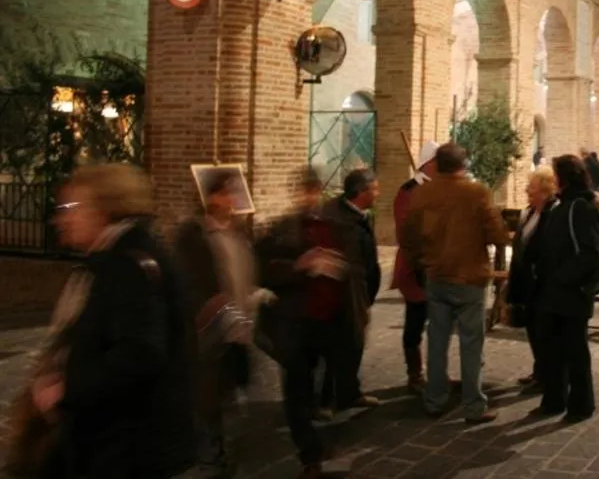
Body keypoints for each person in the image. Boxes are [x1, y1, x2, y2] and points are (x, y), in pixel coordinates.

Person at [23, 164, 196, 479]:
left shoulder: (129, 266)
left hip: (128, 445)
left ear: (104, 209)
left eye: (72, 207)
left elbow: (141, 352)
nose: (61, 219)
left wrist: (65, 387)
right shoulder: (118, 257)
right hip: (122, 441)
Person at [257, 169, 375, 479]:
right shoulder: (283, 230)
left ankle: (326, 426)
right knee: (296, 390)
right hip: (298, 323)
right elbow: (265, 271)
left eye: (314, 191)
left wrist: (342, 271)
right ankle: (310, 454)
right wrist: (300, 266)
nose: (310, 197)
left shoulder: (337, 227)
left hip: (333, 320)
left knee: (334, 378)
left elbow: (358, 268)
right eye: (304, 191)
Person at [174, 169, 273, 478]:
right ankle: (210, 460)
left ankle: (218, 454)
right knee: (208, 399)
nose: (231, 199)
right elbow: (188, 284)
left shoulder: (238, 232)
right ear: (209, 198)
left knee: (228, 394)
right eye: (224, 193)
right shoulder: (193, 236)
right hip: (208, 332)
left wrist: (254, 295)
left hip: (239, 326)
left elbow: (243, 272)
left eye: (233, 192)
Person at [400, 143, 509, 424]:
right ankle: (473, 405)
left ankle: (434, 400)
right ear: (464, 164)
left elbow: (409, 235)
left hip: (436, 276)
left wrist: (420, 262)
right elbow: (497, 233)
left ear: (438, 164)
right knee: (471, 343)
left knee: (436, 341)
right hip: (470, 277)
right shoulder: (476, 192)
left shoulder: (423, 192)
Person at [524, 155, 599, 422]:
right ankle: (554, 400)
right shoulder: (563, 205)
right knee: (552, 349)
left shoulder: (580, 207)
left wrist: (562, 278)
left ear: (564, 178)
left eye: (556, 174)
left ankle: (581, 404)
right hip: (554, 291)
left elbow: (589, 252)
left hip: (570, 292)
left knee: (575, 351)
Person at [317, 169, 383, 417]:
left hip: (359, 292)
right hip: (343, 294)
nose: (378, 193)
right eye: (375, 189)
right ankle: (325, 401)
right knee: (334, 348)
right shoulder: (337, 218)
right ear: (362, 192)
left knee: (354, 344)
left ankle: (349, 392)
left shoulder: (360, 215)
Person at [391, 141, 439, 393]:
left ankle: (436, 373)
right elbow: (406, 232)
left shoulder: (437, 189)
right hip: (415, 268)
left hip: (438, 268)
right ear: (428, 164)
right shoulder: (408, 192)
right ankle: (415, 374)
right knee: (415, 322)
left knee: (439, 325)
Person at [506, 168, 557, 395]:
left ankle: (547, 375)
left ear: (545, 191)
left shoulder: (551, 214)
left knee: (543, 331)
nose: (527, 190)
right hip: (525, 281)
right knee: (531, 328)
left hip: (541, 284)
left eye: (532, 187)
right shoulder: (529, 213)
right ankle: (539, 370)